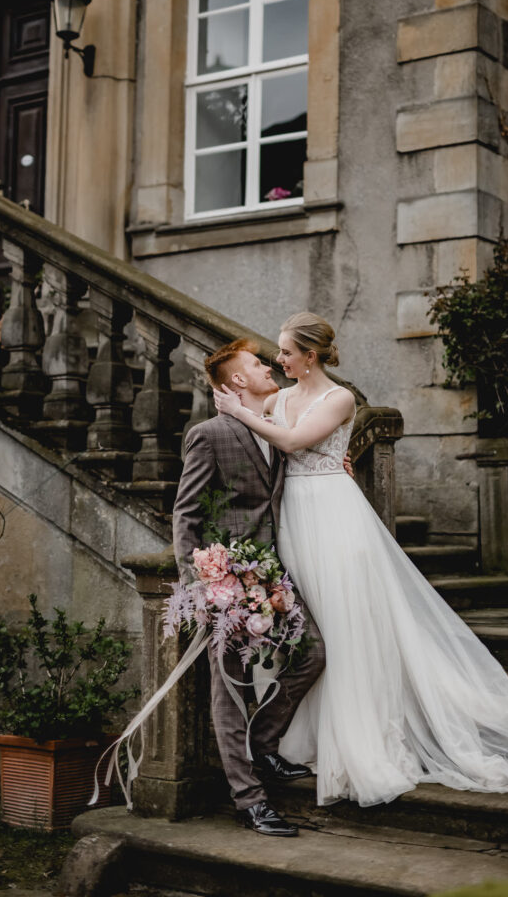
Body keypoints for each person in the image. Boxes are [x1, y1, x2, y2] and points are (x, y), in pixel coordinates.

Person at [213, 311, 508, 808]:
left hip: (334, 518)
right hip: (292, 520)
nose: (277, 359)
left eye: (284, 351)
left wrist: (243, 414)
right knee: (313, 626)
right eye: (276, 353)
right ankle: (311, 734)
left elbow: (296, 442)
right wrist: (237, 404)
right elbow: (264, 439)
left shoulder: (339, 397)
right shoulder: (279, 397)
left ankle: (362, 733)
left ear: (311, 356)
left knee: (349, 624)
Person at [173, 338, 326, 837]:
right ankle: (249, 799)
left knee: (312, 654)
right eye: (258, 364)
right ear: (237, 380)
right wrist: (199, 585)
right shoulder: (209, 434)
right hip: (228, 580)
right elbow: (187, 514)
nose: (268, 368)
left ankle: (263, 744)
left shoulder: (276, 427)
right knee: (231, 687)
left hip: (275, 573)